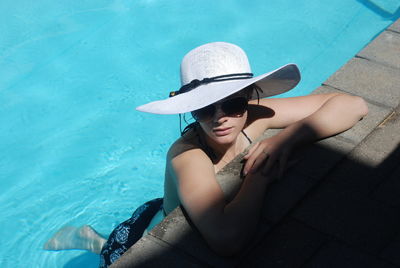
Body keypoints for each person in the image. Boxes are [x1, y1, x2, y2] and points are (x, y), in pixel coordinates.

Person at [44, 42, 368, 266]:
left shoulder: (252, 119)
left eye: (232, 103)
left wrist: (283, 141)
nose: (220, 117)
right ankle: (92, 240)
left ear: (249, 98)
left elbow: (354, 105)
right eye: (203, 108)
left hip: (179, 198)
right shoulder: (188, 155)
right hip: (141, 237)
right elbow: (227, 240)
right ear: (191, 110)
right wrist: (259, 174)